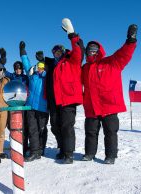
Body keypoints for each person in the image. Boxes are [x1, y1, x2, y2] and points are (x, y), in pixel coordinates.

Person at [81, 24, 138, 164]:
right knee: (90, 132)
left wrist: (130, 41)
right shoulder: (84, 68)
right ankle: (89, 153)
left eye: (94, 50)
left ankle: (110, 156)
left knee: (111, 133)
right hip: (91, 106)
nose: (91, 52)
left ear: (99, 51)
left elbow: (124, 53)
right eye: (89, 50)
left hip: (109, 105)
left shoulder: (112, 62)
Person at [39, 18, 84, 164]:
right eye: (54, 52)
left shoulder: (72, 60)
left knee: (67, 126)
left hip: (68, 99)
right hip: (54, 101)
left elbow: (78, 50)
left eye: (59, 51)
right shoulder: (52, 65)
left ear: (63, 51)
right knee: (55, 126)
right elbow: (41, 66)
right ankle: (62, 148)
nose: (56, 53)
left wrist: (72, 34)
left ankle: (68, 154)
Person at [0, 48, 30, 157]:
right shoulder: (12, 77)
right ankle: (15, 145)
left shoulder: (25, 78)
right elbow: (2, 70)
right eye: (16, 69)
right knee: (12, 126)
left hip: (23, 105)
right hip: (13, 105)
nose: (18, 70)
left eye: (19, 69)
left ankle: (24, 148)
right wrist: (2, 58)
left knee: (23, 127)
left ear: (22, 69)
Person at [19, 41, 49, 162]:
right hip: (30, 107)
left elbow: (52, 66)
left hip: (43, 108)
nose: (40, 69)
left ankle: (40, 149)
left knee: (41, 129)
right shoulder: (32, 75)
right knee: (32, 130)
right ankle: (35, 151)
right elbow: (26, 64)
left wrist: (44, 60)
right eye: (38, 67)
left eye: (42, 67)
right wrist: (23, 52)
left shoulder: (48, 76)